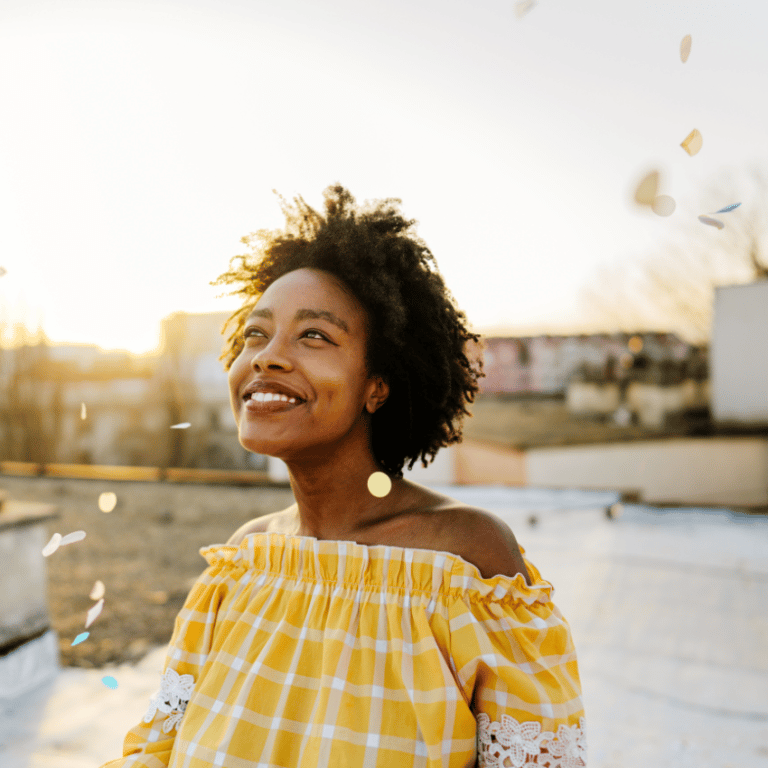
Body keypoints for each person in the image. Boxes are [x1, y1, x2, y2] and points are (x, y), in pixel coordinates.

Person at [100, 184, 586, 767]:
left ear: (377, 385)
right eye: (256, 333)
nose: (266, 356)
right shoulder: (242, 565)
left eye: (314, 335)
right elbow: (158, 750)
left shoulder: (464, 565)